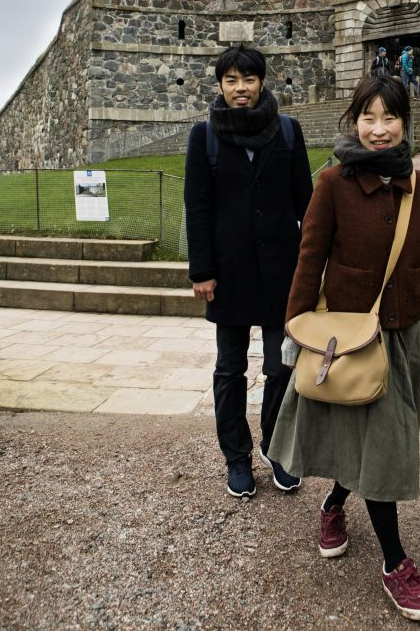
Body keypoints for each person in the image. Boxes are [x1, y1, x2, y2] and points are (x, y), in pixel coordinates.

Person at [269, 75, 420, 622]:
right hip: (347, 341)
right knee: (383, 447)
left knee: (375, 440)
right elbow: (309, 258)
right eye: (368, 117)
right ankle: (395, 564)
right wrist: (293, 330)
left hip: (403, 335)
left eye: (390, 117)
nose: (379, 128)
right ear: (353, 122)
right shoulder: (333, 184)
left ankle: (334, 501)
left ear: (405, 123)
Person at [184, 45, 313, 499]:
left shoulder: (288, 132)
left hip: (283, 273)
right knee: (230, 370)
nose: (241, 89)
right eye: (232, 81)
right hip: (229, 274)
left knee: (282, 367)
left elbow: (308, 207)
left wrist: (313, 270)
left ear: (262, 82)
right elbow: (197, 208)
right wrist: (201, 270)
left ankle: (275, 448)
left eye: (249, 80)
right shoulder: (205, 138)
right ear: (220, 85)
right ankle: (236, 458)